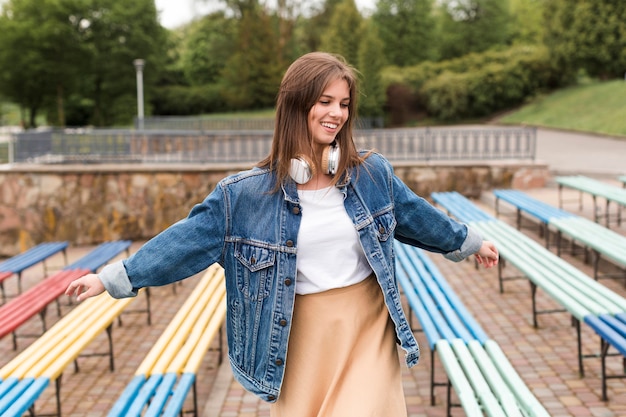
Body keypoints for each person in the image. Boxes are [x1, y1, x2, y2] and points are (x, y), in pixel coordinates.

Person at [66, 51, 498, 416]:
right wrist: (110, 279)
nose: (337, 114)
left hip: (367, 324)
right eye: (325, 101)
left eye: (344, 104)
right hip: (298, 334)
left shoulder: (371, 174)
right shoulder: (245, 196)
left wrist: (469, 243)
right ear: (296, 104)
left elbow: (416, 215)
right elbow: (183, 242)